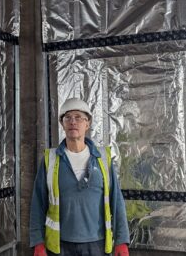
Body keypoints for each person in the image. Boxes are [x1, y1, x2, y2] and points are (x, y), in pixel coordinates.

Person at [30, 98, 130, 256]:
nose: (72, 122)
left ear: (87, 123)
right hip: (59, 246)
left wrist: (122, 240)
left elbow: (116, 201)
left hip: (97, 245)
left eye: (78, 117)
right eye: (67, 118)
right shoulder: (50, 160)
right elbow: (38, 203)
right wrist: (38, 242)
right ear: (62, 124)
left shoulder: (103, 159)